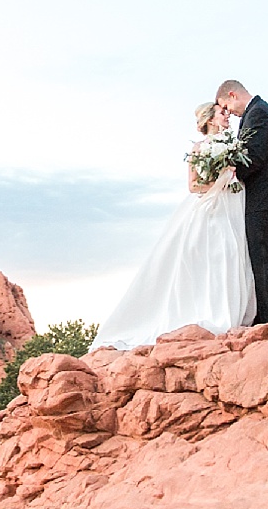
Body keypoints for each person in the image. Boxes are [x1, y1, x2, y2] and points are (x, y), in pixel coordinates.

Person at [91, 101, 257, 351]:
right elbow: (193, 186)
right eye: (223, 113)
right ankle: (207, 313)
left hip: (230, 208)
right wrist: (218, 184)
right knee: (208, 257)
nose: (228, 116)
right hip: (209, 210)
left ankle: (231, 311)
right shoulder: (199, 149)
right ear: (210, 119)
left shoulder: (233, 146)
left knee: (232, 254)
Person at [216, 79, 268, 324]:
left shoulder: (259, 114)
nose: (229, 113)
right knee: (256, 253)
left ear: (232, 95)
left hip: (265, 195)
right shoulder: (257, 112)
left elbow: (254, 157)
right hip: (263, 195)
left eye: (225, 107)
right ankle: (263, 312)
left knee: (261, 254)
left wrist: (230, 174)